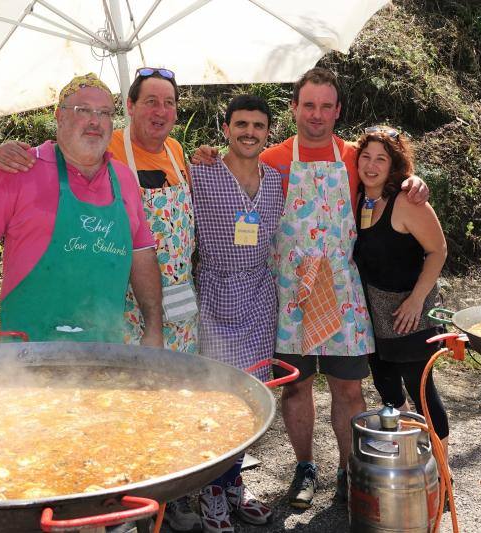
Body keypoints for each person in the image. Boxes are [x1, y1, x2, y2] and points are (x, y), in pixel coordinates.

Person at [192, 67, 429, 508]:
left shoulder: (356, 157)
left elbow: (394, 182)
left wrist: (416, 182)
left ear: (338, 110)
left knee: (348, 389)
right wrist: (205, 155)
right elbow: (232, 170)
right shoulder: (273, 158)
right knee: (295, 385)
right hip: (287, 290)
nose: (316, 115)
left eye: (325, 106)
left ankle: (348, 470)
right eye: (308, 105)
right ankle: (305, 467)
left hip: (341, 288)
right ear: (294, 108)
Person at [0, 68, 202, 532]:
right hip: (74, 324)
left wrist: (156, 326)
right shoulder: (78, 155)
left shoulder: (175, 154)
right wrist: (5, 150)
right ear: (131, 109)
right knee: (47, 440)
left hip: (167, 308)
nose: (160, 111)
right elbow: (49, 160)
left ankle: (136, 501)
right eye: (150, 101)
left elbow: (145, 249)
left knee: (124, 422)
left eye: (168, 103)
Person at [0, 73, 163, 350]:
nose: (95, 121)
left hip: (104, 349)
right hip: (26, 351)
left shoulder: (124, 179)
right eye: (83, 110)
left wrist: (154, 328)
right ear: (59, 116)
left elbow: (143, 257)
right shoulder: (20, 169)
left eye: (104, 113)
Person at [190, 94, 278, 531]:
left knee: (253, 395)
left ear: (267, 132)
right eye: (240, 124)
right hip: (213, 292)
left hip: (260, 295)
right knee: (218, 396)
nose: (249, 132)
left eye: (258, 125)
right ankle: (211, 492)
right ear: (225, 128)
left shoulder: (276, 179)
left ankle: (234, 484)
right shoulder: (200, 171)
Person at [352, 125, 449, 462]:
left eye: (381, 159)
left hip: (412, 315)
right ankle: (411, 460)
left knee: (422, 393)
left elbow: (438, 251)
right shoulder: (359, 198)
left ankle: (441, 475)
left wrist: (417, 299)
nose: (372, 165)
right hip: (374, 317)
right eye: (366, 156)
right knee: (389, 391)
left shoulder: (408, 202)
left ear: (395, 167)